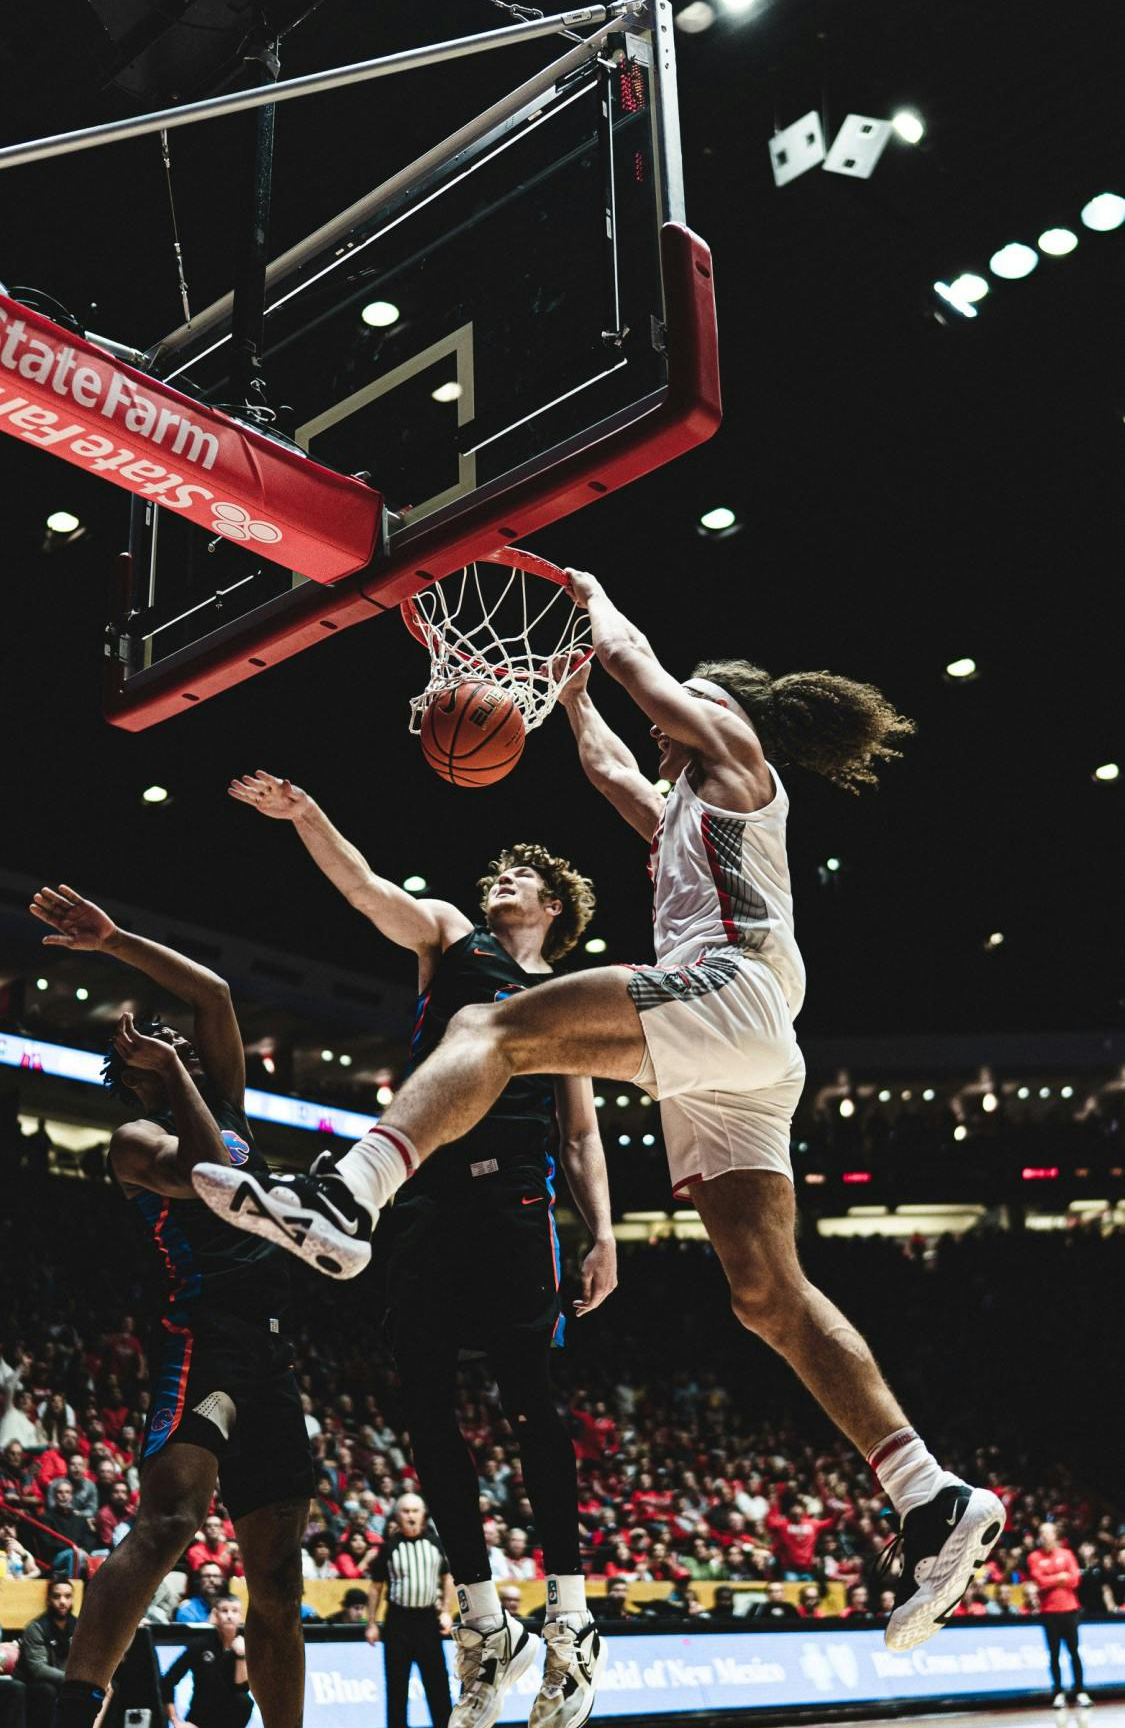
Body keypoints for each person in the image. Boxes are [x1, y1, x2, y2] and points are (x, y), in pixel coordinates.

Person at [198, 578, 1005, 1654]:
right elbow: (612, 767)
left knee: (488, 1027)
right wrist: (572, 698)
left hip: (728, 991)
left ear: (720, 709)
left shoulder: (737, 758)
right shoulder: (683, 811)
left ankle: (350, 1194)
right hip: (743, 1055)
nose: (661, 732)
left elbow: (642, 670)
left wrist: (590, 600)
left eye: (680, 713)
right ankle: (930, 1493)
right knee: (766, 1293)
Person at [205, 776, 617, 1728]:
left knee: (530, 1402)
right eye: (499, 873)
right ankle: (484, 1620)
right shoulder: (448, 937)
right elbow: (365, 889)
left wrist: (603, 1232)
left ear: (554, 906)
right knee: (427, 1412)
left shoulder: (565, 1001)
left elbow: (581, 1132)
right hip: (427, 1199)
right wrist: (308, 814)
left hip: (516, 1201)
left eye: (519, 876)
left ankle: (572, 1614)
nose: (500, 881)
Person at [0, 886, 323, 1728]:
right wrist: (176, 1071)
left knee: (279, 1585)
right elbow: (218, 1174)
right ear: (133, 1072)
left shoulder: (219, 1100)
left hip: (271, 1354)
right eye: (158, 1047)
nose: (179, 1038)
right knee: (172, 1518)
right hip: (201, 1337)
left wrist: (116, 942)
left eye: (181, 1044)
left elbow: (216, 991)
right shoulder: (136, 1143)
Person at [365, 1495, 457, 1728]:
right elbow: (376, 1587)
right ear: (397, 1516)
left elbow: (447, 1578)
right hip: (398, 1621)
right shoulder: (389, 1547)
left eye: (415, 1510)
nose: (410, 1516)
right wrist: (371, 1623)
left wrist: (446, 1611)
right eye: (405, 1511)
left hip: (427, 1620)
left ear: (423, 1514)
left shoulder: (435, 1544)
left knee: (438, 1685)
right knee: (396, 1685)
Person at [161, 1594, 254, 1728]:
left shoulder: (247, 1645)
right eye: (224, 1611)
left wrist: (241, 1655)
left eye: (234, 1611)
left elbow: (242, 1687)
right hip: (200, 1720)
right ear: (215, 1615)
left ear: (241, 1617)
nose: (229, 1616)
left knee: (244, 1701)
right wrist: (176, 1721)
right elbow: (168, 1681)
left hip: (228, 1718)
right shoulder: (199, 1645)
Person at [1028, 1522, 1091, 1709]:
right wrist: (1060, 1577)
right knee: (1054, 1654)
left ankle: (1080, 1691)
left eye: (1048, 1533)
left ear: (1055, 1535)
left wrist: (1054, 1579)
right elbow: (1039, 1581)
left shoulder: (1067, 1554)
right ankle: (1058, 1692)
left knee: (1074, 1652)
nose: (1045, 1536)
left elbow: (1075, 1580)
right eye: (1042, 1533)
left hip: (1070, 1610)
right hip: (1049, 1612)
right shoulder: (1034, 1557)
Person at [14, 1578, 77, 1728]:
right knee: (47, 1691)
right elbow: (38, 1668)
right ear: (49, 1599)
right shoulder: (36, 1627)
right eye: (57, 1596)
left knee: (110, 1687)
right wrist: (72, 1680)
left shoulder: (78, 1626)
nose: (62, 1602)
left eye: (67, 1596)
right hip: (36, 1683)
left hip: (67, 1681)